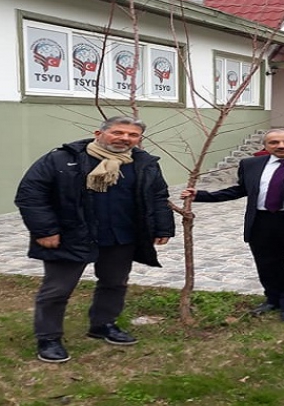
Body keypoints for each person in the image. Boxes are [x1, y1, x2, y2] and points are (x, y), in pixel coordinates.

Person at [15, 115, 175, 363]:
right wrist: (45, 230)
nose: (125, 139)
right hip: (71, 235)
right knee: (57, 290)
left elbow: (157, 195)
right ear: (99, 133)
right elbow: (31, 195)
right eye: (118, 132)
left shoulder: (144, 163)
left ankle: (103, 324)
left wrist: (163, 227)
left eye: (133, 135)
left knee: (115, 283)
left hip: (121, 235)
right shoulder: (62, 159)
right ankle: (48, 338)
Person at [181, 129, 284, 322]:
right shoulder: (251, 164)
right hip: (262, 221)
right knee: (268, 263)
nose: (281, 146)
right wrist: (200, 195)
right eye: (274, 142)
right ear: (266, 145)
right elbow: (240, 190)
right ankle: (274, 298)